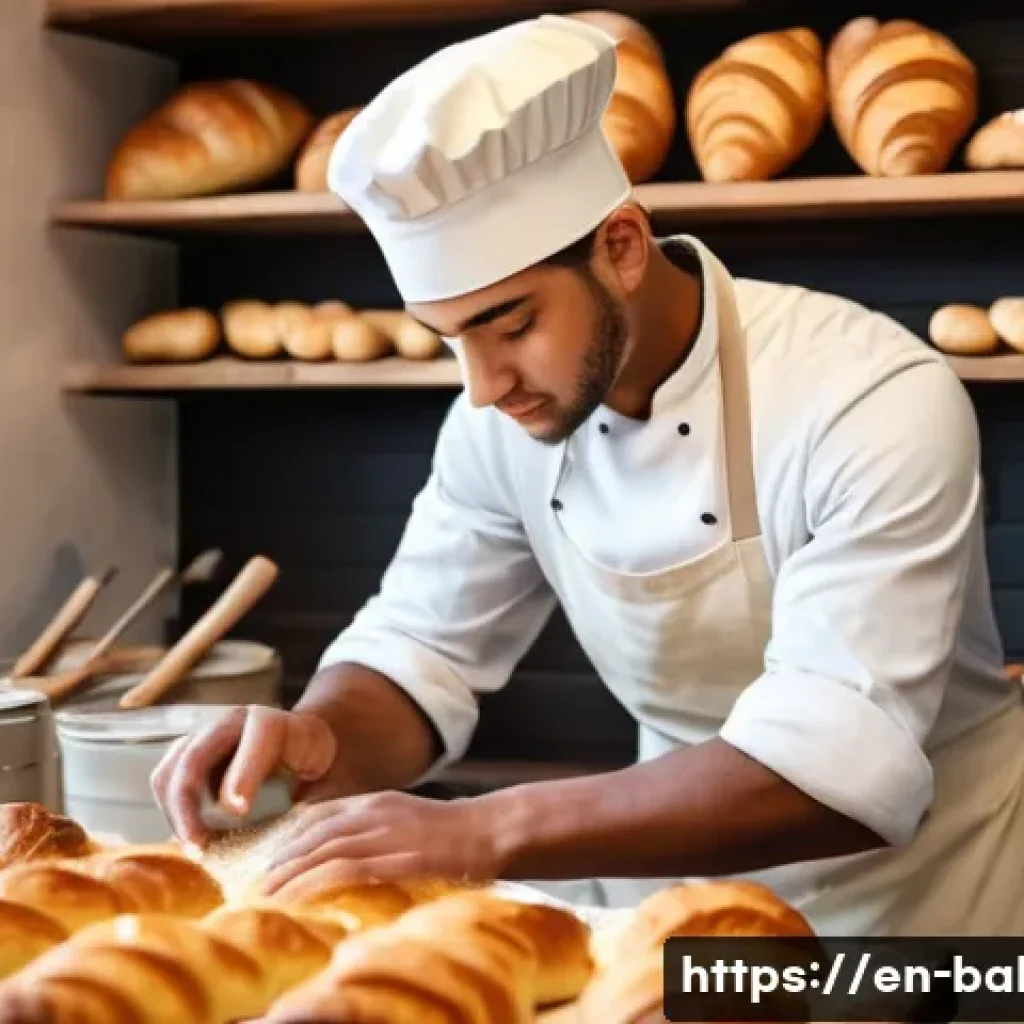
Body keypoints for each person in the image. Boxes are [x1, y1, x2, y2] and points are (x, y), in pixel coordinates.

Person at [152, 14, 1024, 936]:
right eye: (449, 338)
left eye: (512, 324)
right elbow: (421, 651)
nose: (483, 386)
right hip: (674, 899)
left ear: (622, 246)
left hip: (924, 909)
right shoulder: (497, 420)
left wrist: (485, 830)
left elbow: (836, 766)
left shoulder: (869, 398)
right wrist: (322, 736)